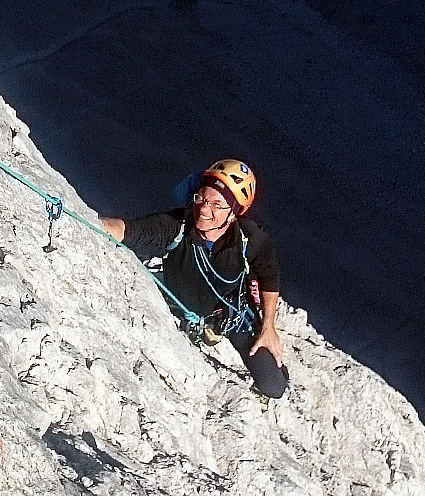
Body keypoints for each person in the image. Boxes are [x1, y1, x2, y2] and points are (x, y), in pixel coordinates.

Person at [101, 159, 288, 400]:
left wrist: (268, 326)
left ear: (233, 213)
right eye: (202, 198)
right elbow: (132, 230)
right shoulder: (177, 226)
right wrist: (99, 224)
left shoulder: (250, 239)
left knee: (274, 385)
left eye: (216, 204)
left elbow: (269, 276)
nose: (204, 209)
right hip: (180, 306)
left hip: (228, 313)